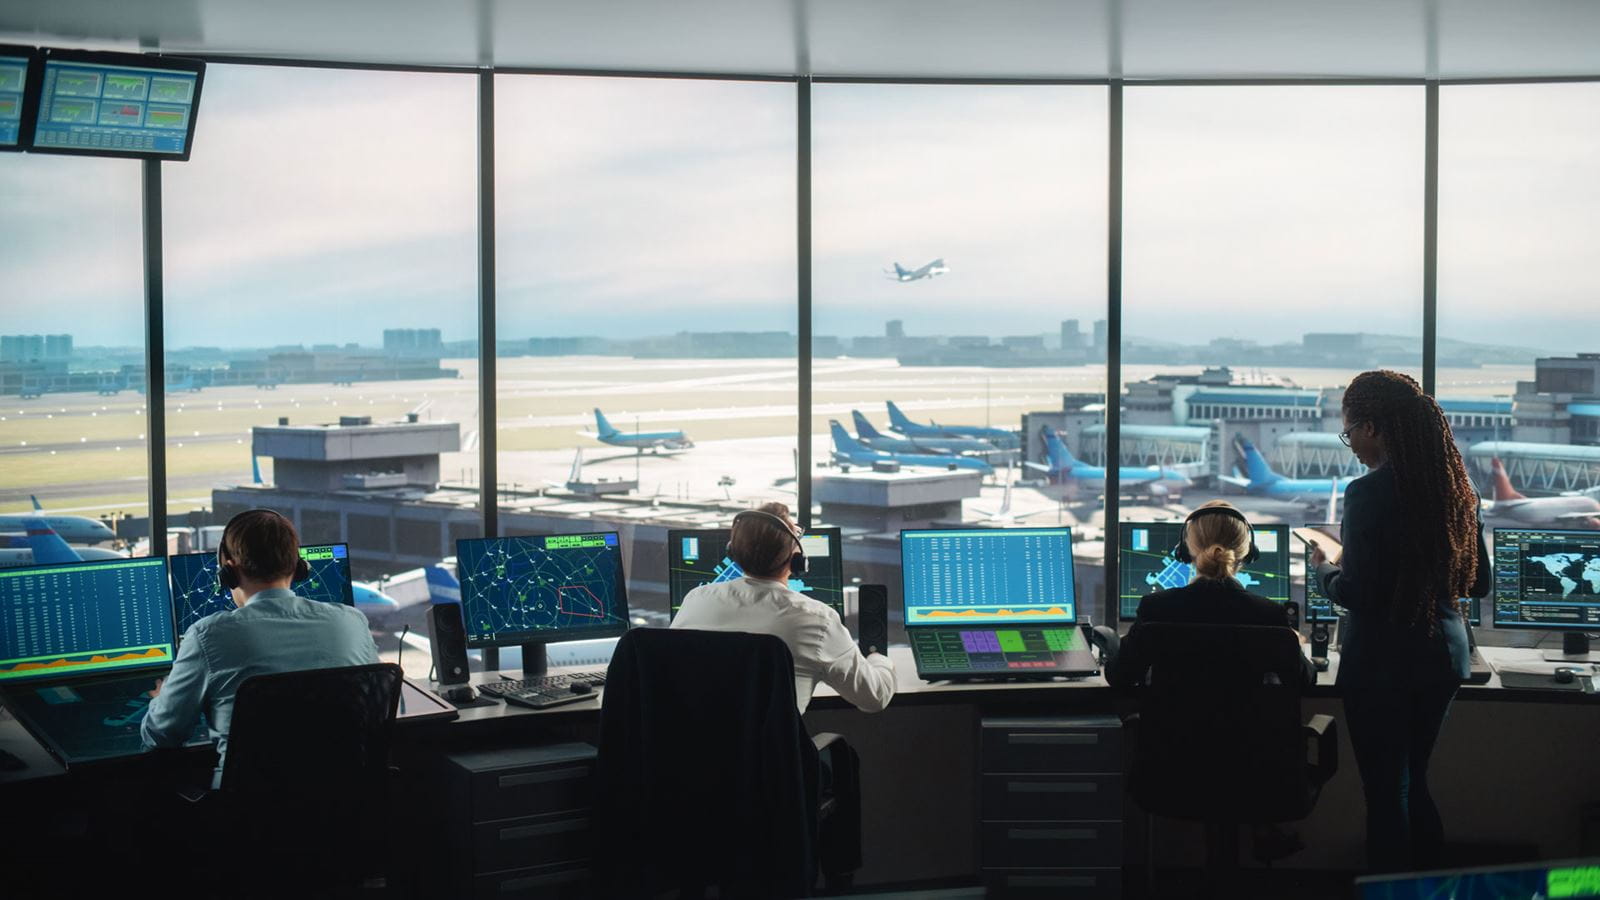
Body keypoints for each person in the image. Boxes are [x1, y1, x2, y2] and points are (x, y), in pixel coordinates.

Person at [1311, 370, 1490, 873]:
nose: (1352, 448)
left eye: (1351, 434)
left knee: (1387, 794)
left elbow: (1358, 593)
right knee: (1414, 781)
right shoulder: (1458, 488)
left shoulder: (1368, 493)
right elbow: (1477, 584)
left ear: (1373, 427)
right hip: (1444, 658)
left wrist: (1326, 567)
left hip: (1383, 665)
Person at [142, 508, 378, 775]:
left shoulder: (208, 636)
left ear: (228, 571)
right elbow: (371, 708)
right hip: (345, 805)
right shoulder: (353, 622)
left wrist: (162, 701)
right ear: (298, 566)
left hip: (250, 811)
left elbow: (162, 735)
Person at [672, 502, 896, 713]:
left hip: (690, 752)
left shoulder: (695, 600)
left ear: (734, 553)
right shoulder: (818, 620)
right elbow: (874, 698)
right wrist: (878, 659)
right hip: (770, 754)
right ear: (796, 558)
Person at [1108, 500, 1315, 689]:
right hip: (1245, 730)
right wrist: (1291, 642)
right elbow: (1305, 680)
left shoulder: (1155, 608)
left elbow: (1119, 676)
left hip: (1172, 730)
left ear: (1186, 549)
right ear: (1247, 551)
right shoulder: (1270, 615)